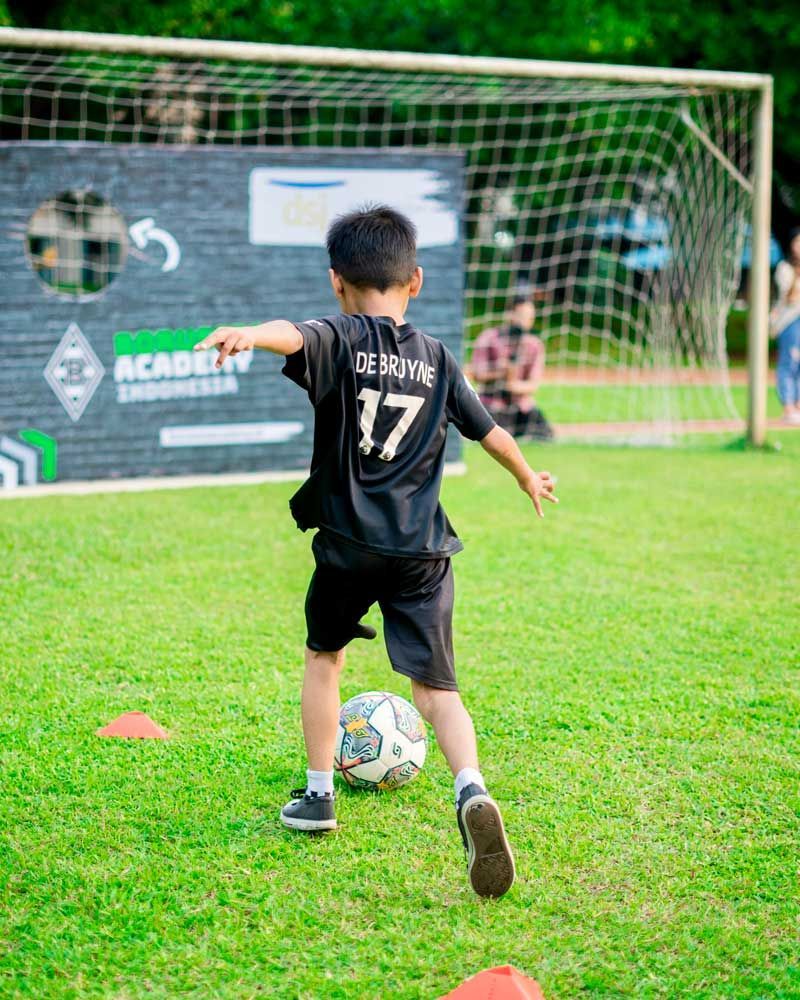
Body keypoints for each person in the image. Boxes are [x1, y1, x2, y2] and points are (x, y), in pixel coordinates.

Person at [194, 205, 557, 899]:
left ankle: (320, 796)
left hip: (348, 545)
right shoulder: (440, 357)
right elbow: (489, 433)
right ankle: (471, 787)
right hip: (422, 549)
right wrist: (527, 477)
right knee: (438, 692)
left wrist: (249, 336)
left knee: (324, 659)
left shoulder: (336, 336)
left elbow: (291, 336)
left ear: (337, 281)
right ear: (414, 281)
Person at [469, 294, 554, 440]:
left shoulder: (534, 345)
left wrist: (513, 385)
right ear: (510, 314)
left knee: (545, 435)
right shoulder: (489, 338)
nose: (525, 321)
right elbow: (477, 374)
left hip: (520, 406)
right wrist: (501, 373)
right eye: (522, 315)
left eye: (530, 317)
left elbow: (533, 384)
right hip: (492, 404)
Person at [771, 228, 800, 425]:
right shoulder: (785, 268)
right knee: (790, 362)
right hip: (790, 321)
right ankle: (788, 406)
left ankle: (798, 405)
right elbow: (790, 297)